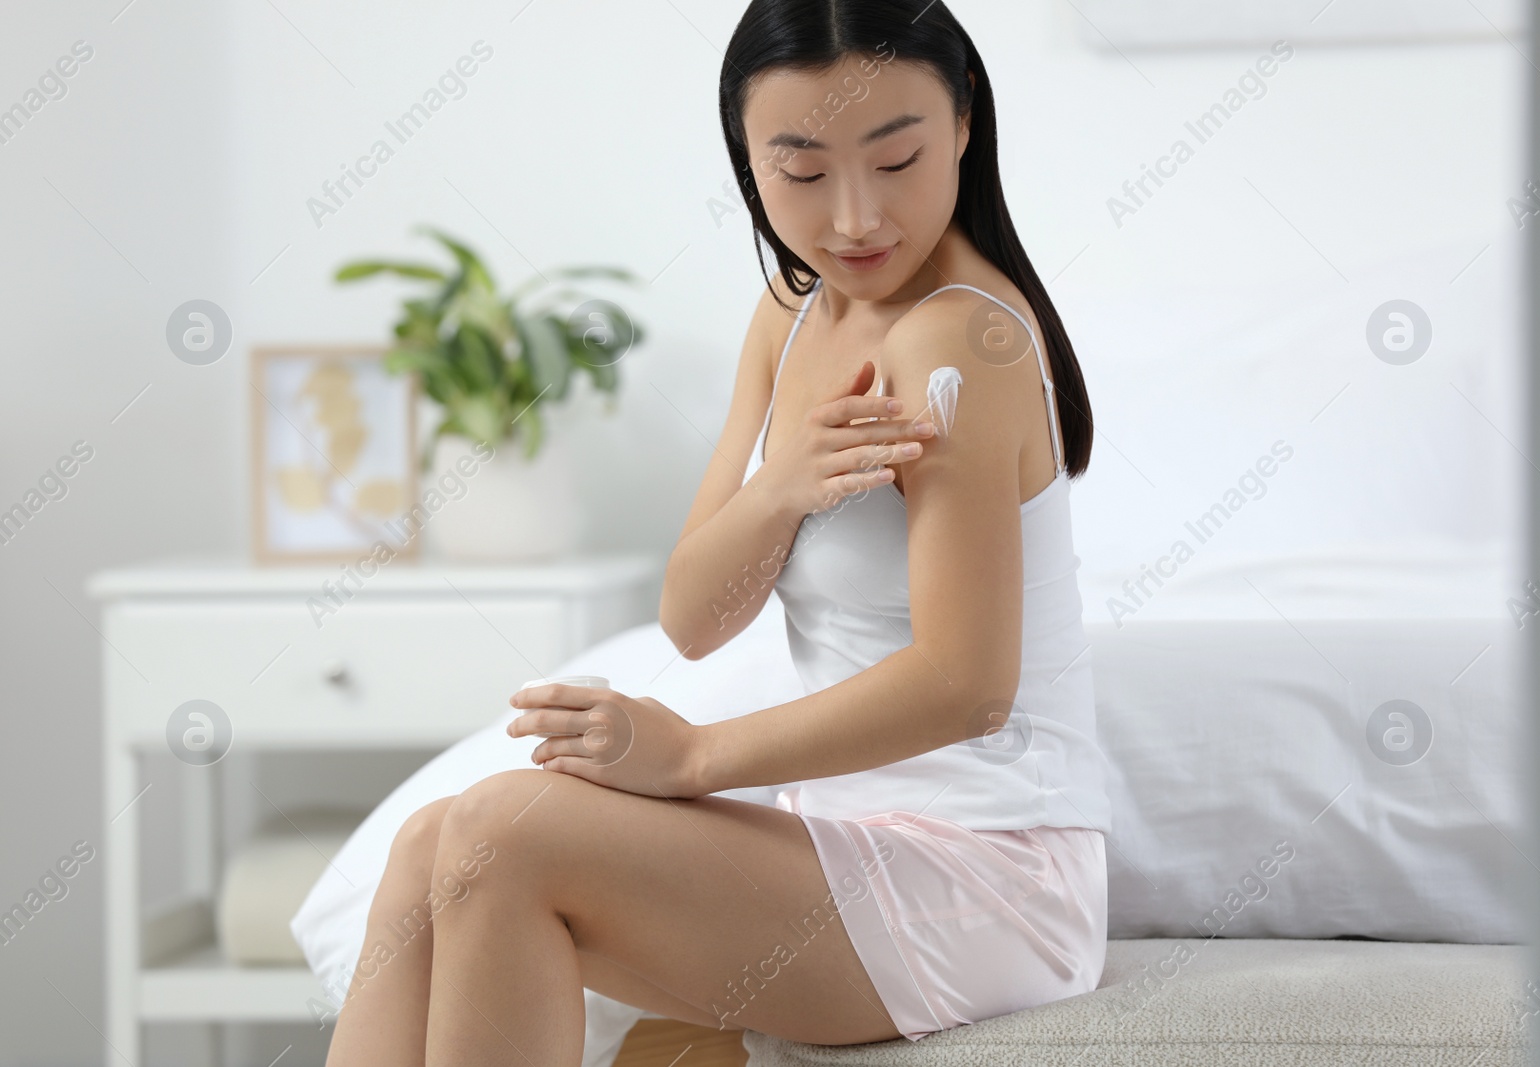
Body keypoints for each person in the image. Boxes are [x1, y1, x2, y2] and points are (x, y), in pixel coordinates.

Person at [326, 2, 1112, 1062]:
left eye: (896, 159)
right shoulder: (793, 312)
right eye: (800, 173)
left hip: (989, 876)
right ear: (748, 163)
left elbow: (968, 683)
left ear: (964, 124)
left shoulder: (961, 339)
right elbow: (692, 615)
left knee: (495, 835)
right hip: (840, 841)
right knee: (430, 844)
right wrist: (782, 485)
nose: (852, 219)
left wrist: (692, 754)